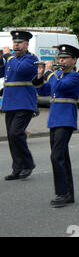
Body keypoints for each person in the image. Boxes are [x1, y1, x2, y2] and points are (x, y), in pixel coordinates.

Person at [32, 44, 79, 207]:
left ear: (74, 60)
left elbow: (58, 86)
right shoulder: (58, 74)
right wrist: (40, 75)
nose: (61, 60)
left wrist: (48, 72)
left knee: (56, 156)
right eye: (60, 58)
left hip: (66, 118)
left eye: (65, 58)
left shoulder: (76, 76)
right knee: (62, 156)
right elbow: (43, 91)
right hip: (55, 118)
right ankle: (68, 193)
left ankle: (62, 193)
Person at [0, 31, 38, 180]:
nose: (16, 44)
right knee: (11, 136)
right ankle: (17, 168)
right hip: (10, 103)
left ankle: (28, 164)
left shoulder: (31, 59)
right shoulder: (12, 60)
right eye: (14, 42)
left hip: (24, 103)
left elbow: (20, 70)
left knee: (16, 133)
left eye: (19, 42)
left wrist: (8, 56)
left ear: (26, 44)